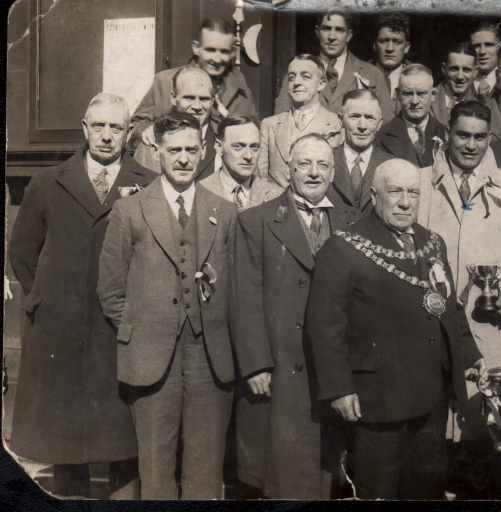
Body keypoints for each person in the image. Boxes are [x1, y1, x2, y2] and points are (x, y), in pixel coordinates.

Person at [306, 158, 484, 499]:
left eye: (413, 193)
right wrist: (339, 388)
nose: (405, 202)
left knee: (426, 489)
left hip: (431, 397)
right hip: (378, 402)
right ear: (374, 196)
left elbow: (448, 307)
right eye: (396, 192)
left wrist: (470, 355)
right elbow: (325, 327)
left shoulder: (433, 242)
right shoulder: (343, 247)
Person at [9, 93, 154, 499]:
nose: (107, 136)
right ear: (85, 128)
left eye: (116, 127)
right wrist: (47, 298)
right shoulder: (47, 183)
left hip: (118, 332)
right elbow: (22, 252)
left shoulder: (146, 184)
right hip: (61, 331)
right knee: (65, 443)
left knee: (121, 439)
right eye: (100, 126)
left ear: (129, 134)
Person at [97, 111, 237, 499]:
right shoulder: (130, 210)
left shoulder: (224, 213)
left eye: (192, 149)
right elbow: (110, 290)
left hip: (210, 360)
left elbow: (237, 288)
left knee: (206, 471)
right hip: (151, 360)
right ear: (157, 152)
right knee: (155, 472)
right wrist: (142, 329)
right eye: (174, 150)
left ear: (205, 150)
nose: (183, 158)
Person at [416, 100, 501, 496]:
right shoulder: (420, 182)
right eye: (462, 135)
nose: (470, 145)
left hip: (488, 328)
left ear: (490, 138)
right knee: (434, 440)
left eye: (480, 137)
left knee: (482, 436)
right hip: (431, 327)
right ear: (447, 134)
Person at [232, 134, 350, 498]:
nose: (313, 173)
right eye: (304, 164)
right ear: (288, 170)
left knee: (328, 470)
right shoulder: (256, 221)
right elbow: (243, 296)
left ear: (333, 172)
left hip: (331, 369)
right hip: (281, 368)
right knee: (284, 474)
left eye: (322, 165)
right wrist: (255, 364)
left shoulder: (350, 221)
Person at [130, 17, 256, 151]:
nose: (217, 59)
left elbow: (253, 134)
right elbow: (136, 125)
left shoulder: (240, 89)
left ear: (232, 53)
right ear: (196, 48)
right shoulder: (165, 81)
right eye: (210, 50)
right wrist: (148, 131)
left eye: (224, 51)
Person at [274, 10, 394, 123]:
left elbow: (386, 126)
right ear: (317, 32)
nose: (332, 37)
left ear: (349, 35)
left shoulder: (372, 75)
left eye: (339, 30)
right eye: (326, 29)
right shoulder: (297, 73)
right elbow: (280, 123)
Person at [257, 54, 343, 190]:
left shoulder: (336, 124)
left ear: (321, 84)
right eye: (291, 77)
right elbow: (260, 177)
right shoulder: (270, 125)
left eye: (305, 76)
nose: (296, 82)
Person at [134, 66, 219, 180]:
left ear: (213, 101)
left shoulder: (223, 141)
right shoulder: (152, 143)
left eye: (204, 99)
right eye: (189, 98)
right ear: (173, 98)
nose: (197, 106)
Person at [331, 89, 392, 223]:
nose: (362, 126)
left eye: (369, 118)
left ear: (379, 124)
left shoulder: (391, 165)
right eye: (355, 116)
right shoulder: (325, 160)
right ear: (341, 120)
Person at [376, 64, 447, 168]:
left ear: (433, 95)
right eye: (408, 94)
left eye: (421, 93)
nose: (414, 101)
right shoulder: (381, 136)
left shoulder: (446, 135)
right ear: (398, 94)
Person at [199, 115, 272, 209]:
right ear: (219, 147)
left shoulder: (274, 195)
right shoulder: (200, 192)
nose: (248, 156)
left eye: (254, 147)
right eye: (238, 147)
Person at [431, 42, 478, 127]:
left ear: (475, 72)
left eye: (466, 70)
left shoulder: (480, 104)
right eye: (454, 69)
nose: (460, 76)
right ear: (444, 69)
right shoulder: (428, 100)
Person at [372, 13, 411, 101]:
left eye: (397, 42)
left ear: (407, 47)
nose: (390, 48)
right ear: (374, 45)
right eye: (383, 41)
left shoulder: (419, 77)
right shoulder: (359, 75)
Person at [469, 22, 501, 98]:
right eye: (476, 46)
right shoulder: (463, 82)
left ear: (500, 46)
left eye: (488, 45)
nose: (482, 51)